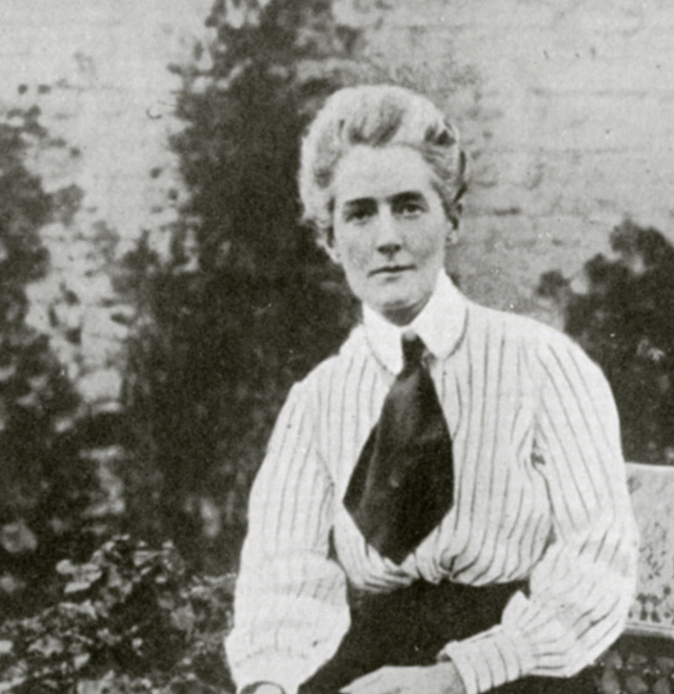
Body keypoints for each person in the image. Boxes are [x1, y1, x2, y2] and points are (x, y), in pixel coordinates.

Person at [225, 84, 639, 694]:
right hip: (371, 665)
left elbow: (596, 557)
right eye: (359, 213)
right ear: (330, 240)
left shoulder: (544, 365)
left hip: (518, 667)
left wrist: (455, 676)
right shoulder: (317, 402)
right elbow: (283, 577)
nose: (387, 237)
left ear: (453, 219)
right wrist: (269, 685)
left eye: (409, 207)